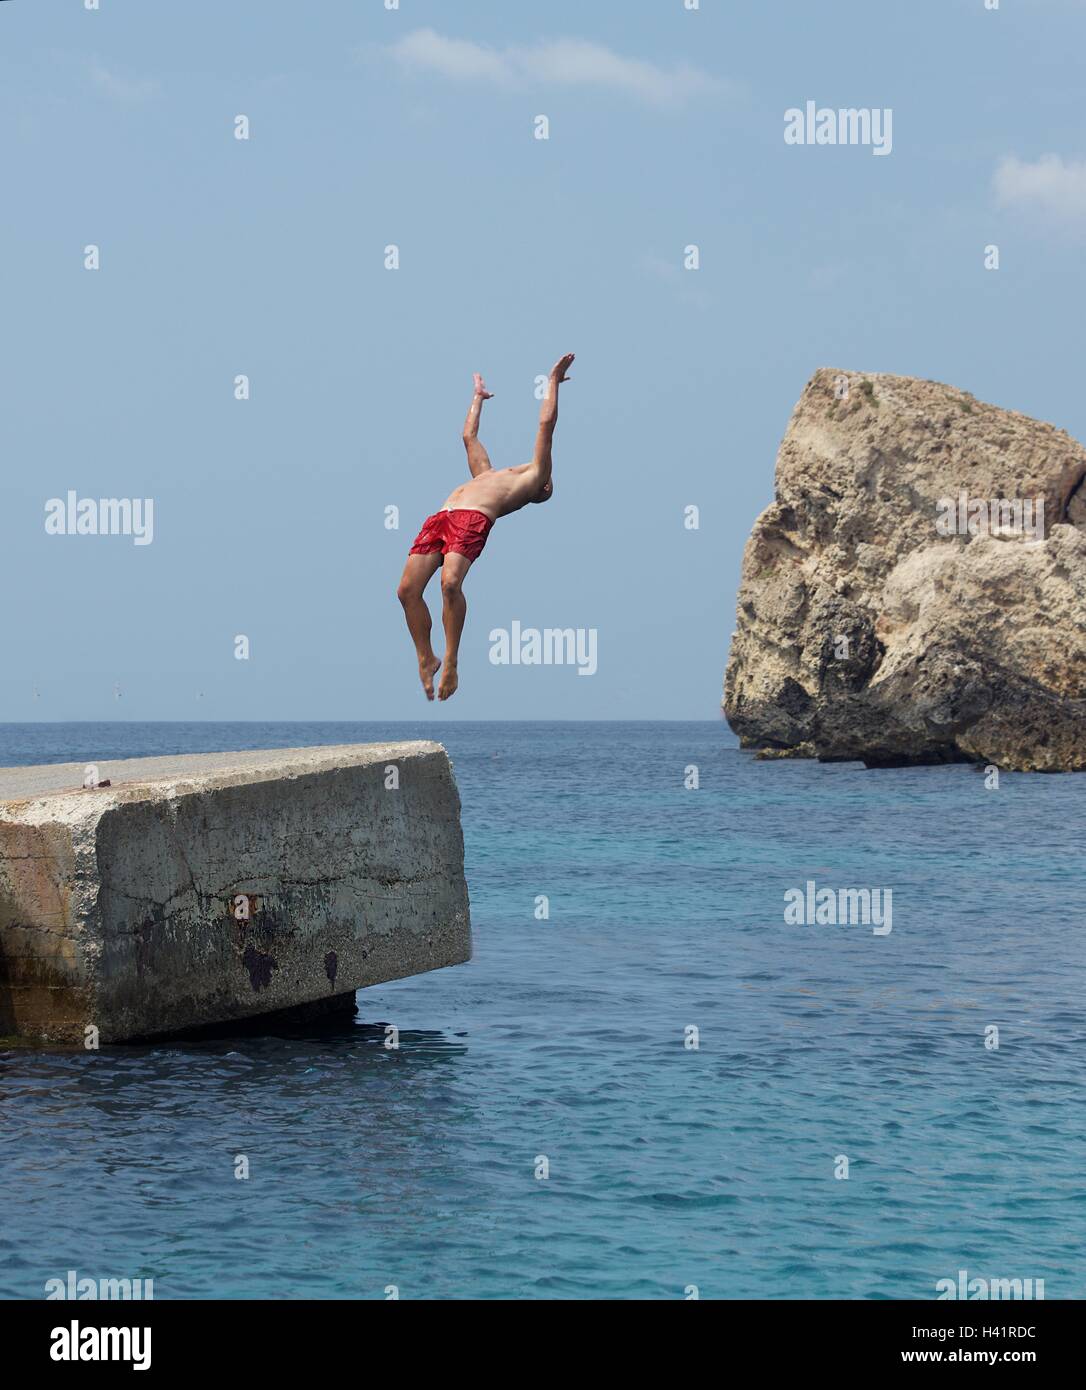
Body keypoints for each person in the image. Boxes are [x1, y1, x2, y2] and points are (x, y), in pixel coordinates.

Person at [397, 352, 575, 700]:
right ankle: (425, 657)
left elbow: (545, 426)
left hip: (470, 521)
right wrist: (478, 398)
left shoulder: (534, 478)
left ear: (542, 489)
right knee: (406, 591)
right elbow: (468, 436)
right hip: (441, 517)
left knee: (450, 585)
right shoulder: (487, 474)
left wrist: (552, 381)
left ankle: (450, 662)